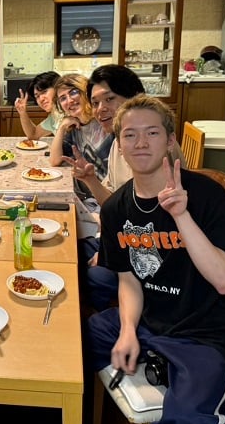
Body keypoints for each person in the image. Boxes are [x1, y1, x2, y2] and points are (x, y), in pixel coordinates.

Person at [87, 94, 225, 424]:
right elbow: (128, 279)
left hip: (209, 333)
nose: (141, 143)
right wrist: (128, 329)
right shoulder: (116, 208)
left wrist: (181, 215)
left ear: (170, 141)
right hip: (152, 322)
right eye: (130, 135)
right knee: (80, 340)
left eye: (152, 133)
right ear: (119, 145)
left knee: (183, 422)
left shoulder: (206, 196)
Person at [62, 65, 185, 311]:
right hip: (125, 236)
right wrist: (92, 181)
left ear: (135, 98)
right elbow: (117, 205)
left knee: (87, 275)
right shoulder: (120, 142)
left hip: (158, 252)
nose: (100, 109)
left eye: (110, 99)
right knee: (66, 246)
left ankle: (95, 327)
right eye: (95, 103)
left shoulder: (150, 149)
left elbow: (159, 220)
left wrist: (111, 249)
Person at [48, 73, 113, 187]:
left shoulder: (105, 120)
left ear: (86, 93)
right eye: (63, 98)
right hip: (90, 193)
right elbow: (55, 160)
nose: (69, 100)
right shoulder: (74, 128)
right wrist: (62, 127)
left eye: (73, 92)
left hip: (111, 194)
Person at [13, 71, 61, 140]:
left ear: (58, 88)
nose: (41, 99)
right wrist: (22, 113)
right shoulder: (53, 118)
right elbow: (33, 135)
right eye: (37, 96)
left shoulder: (72, 112)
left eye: (44, 92)